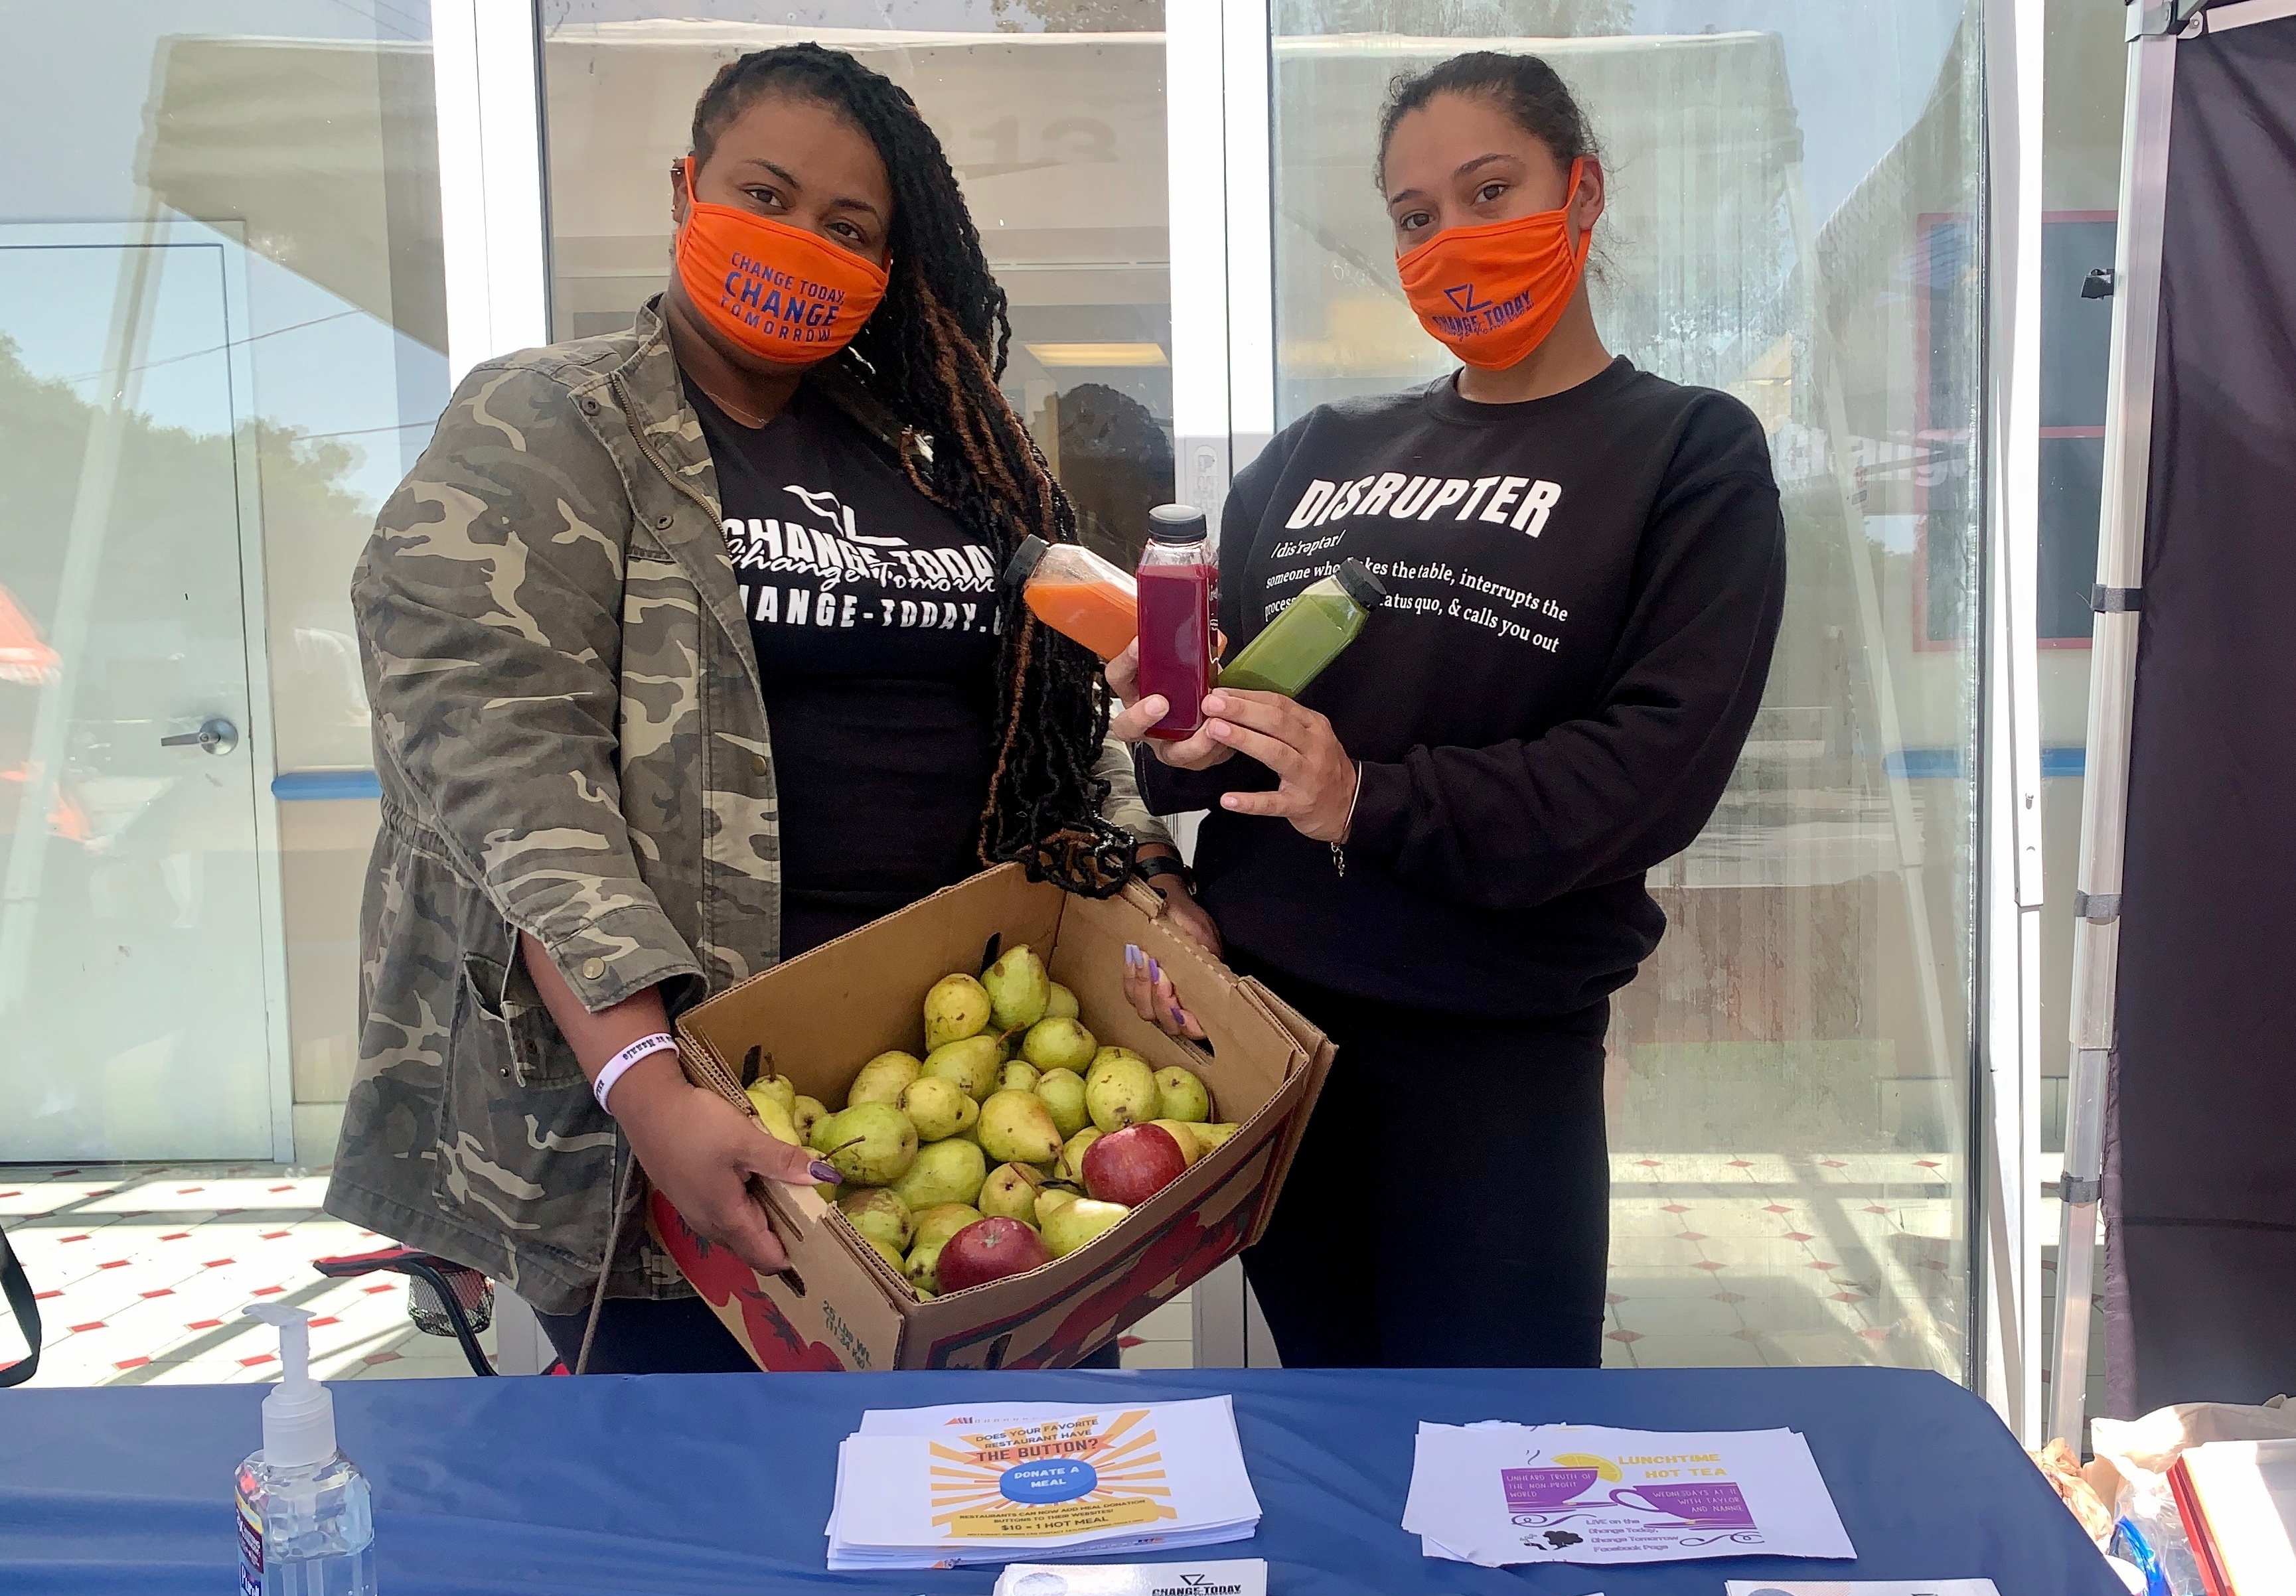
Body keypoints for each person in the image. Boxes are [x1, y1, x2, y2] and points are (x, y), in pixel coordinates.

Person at [327, 43, 1213, 1374]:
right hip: (694, 1121)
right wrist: (646, 1086)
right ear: (689, 188)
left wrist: (1143, 877)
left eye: (847, 227)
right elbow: (500, 763)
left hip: (963, 1102)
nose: (802, 242)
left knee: (995, 1499)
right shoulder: (553, 423)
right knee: (727, 1537)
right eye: (767, 194)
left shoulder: (932, 460)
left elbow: (1052, 722)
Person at [1112, 50, 1787, 1368]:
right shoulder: (1319, 450)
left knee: (1499, 1465)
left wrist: (1371, 797)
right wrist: (1180, 738)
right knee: (1336, 1427)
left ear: (1579, 192)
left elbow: (1655, 765)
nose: (1451, 240)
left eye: (1491, 191)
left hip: (1489, 1058)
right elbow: (1221, 714)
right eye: (1414, 217)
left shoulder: (1684, 453)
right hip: (1273, 1038)